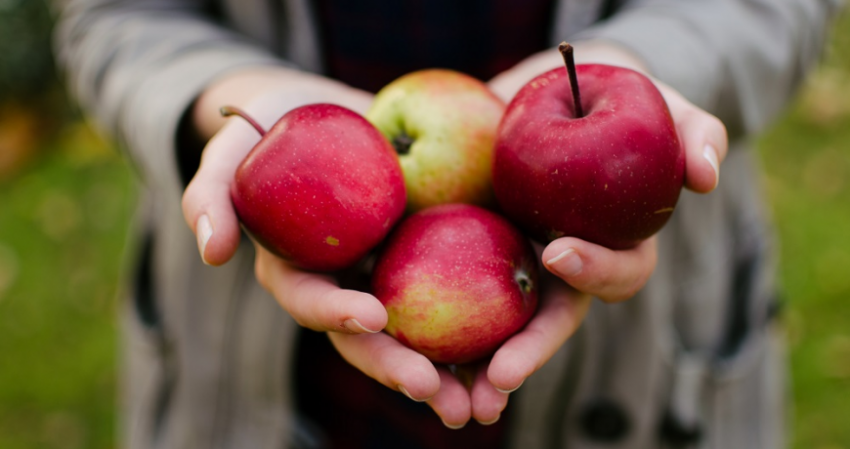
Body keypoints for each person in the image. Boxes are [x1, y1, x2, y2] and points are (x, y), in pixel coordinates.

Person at [54, 0, 839, 447]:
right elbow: (111, 15)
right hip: (254, 369)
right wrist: (221, 90)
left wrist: (634, 59)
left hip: (644, 360)